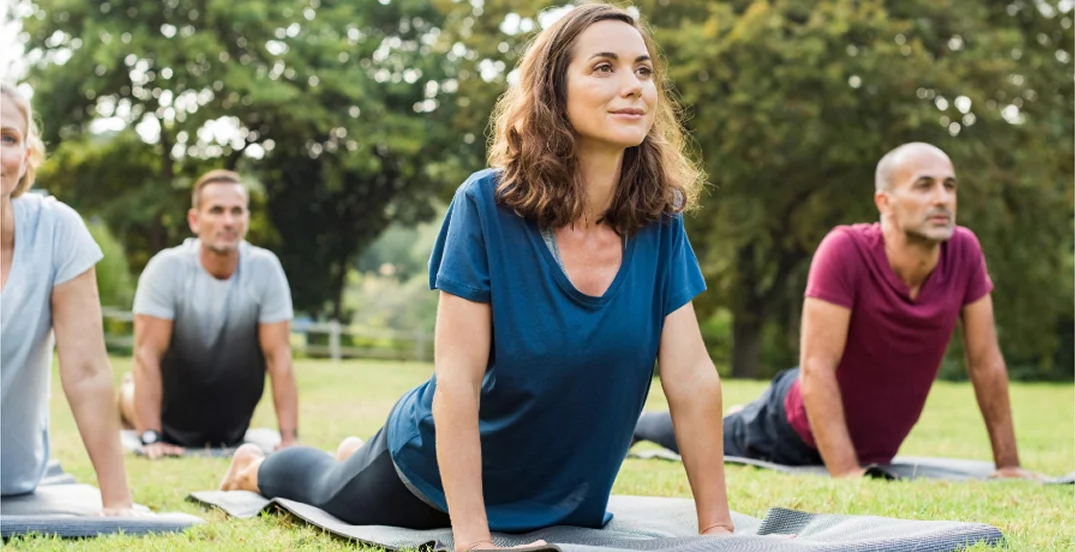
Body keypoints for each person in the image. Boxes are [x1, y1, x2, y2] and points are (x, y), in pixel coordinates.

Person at [218, 4, 734, 551]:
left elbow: (692, 379)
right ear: (553, 92)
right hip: (431, 480)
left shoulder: (658, 221)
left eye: (643, 69)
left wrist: (719, 531)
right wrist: (473, 540)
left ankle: (351, 451)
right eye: (604, 67)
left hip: (560, 495)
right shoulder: (486, 205)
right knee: (323, 486)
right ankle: (254, 466)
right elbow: (457, 383)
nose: (633, 86)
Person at [634, 142, 1041, 480]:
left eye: (949, 186)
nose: (942, 198)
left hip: (867, 442)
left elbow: (986, 363)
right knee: (706, 434)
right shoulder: (845, 250)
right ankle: (638, 426)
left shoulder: (964, 251)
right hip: (790, 428)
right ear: (886, 201)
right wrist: (847, 474)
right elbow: (817, 368)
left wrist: (1008, 465)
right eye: (924, 186)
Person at [0, 82, 139, 514]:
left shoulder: (57, 229)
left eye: (7, 138)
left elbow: (87, 371)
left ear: (26, 157)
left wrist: (118, 502)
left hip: (12, 476)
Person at [118, 169, 299, 459]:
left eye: (236, 211)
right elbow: (147, 353)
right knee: (133, 389)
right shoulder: (166, 269)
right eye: (216, 210)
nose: (228, 221)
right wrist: (151, 436)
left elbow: (279, 356)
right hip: (169, 413)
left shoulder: (266, 269)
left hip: (230, 424)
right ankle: (128, 394)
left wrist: (289, 438)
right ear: (194, 220)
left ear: (246, 219)